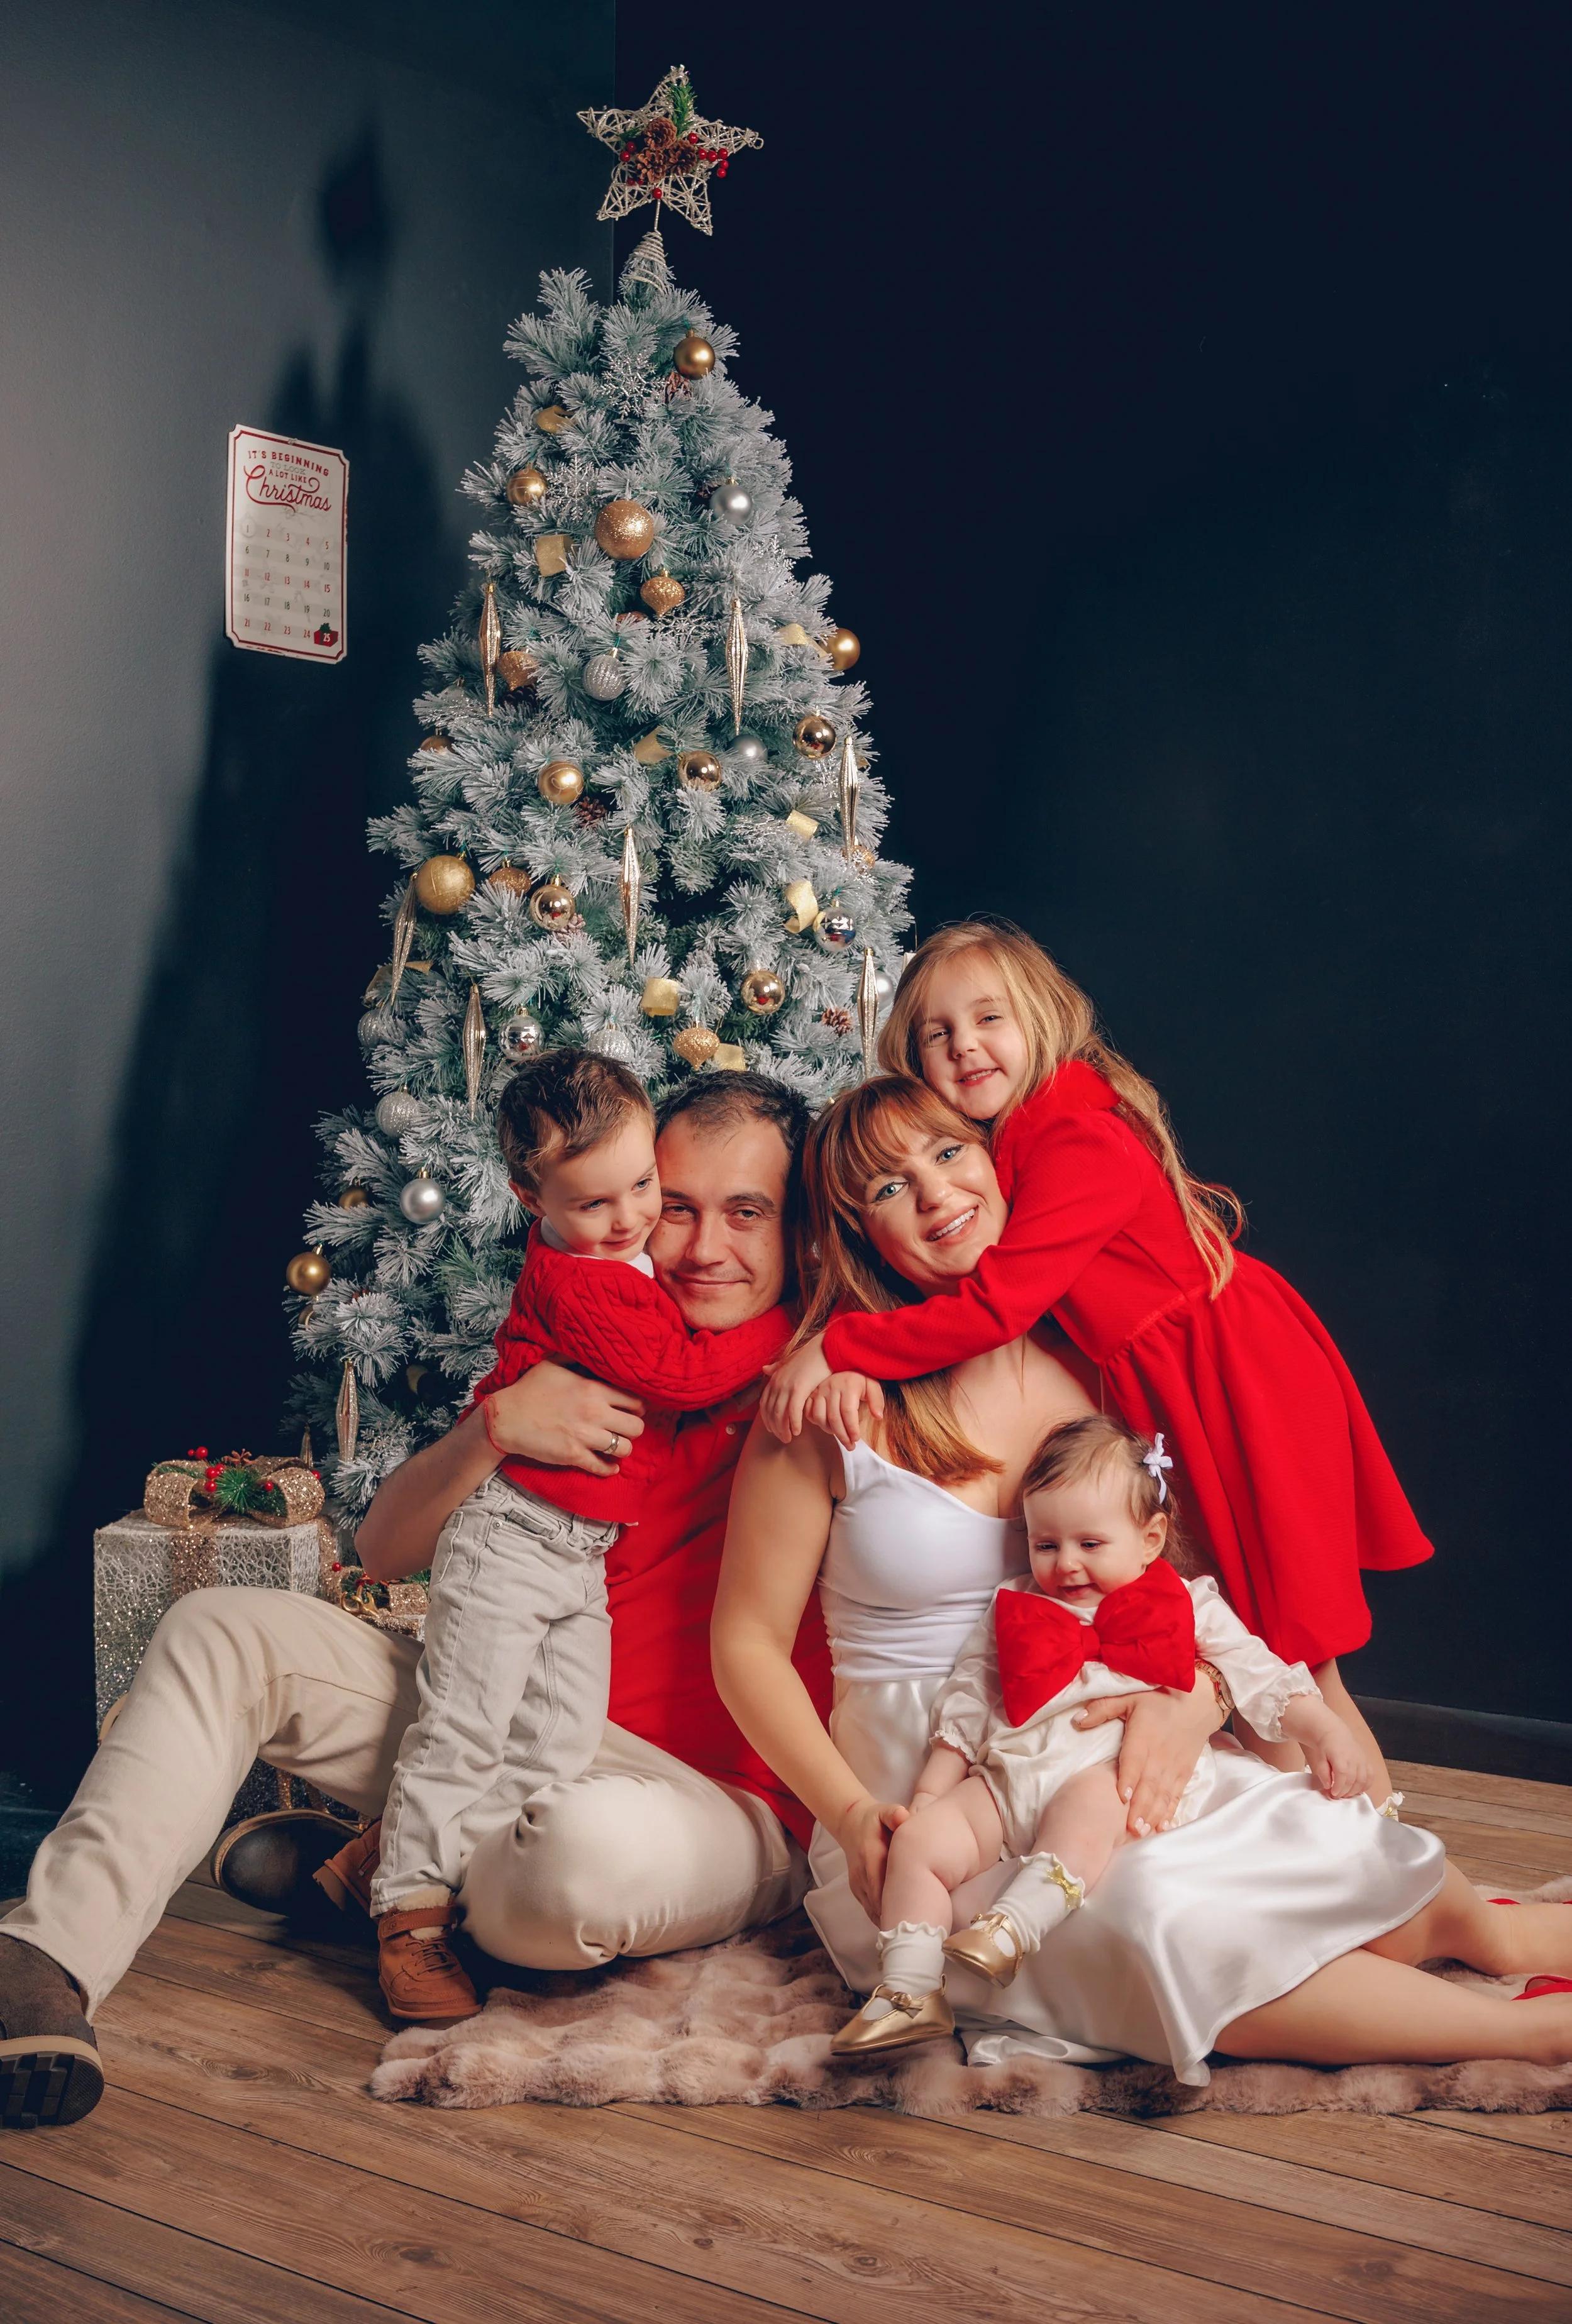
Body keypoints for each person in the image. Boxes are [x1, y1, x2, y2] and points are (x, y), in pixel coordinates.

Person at [0, 1072, 829, 2130]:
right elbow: (386, 1549)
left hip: (716, 1797)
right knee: (220, 1628)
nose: (705, 1245)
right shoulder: (600, 1328)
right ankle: (45, 1957)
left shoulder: (823, 1377)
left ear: (800, 1232)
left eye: (748, 1212)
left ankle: (389, 1862)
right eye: (677, 1205)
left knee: (573, 1861)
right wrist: (497, 1429)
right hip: (512, 1720)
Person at [714, 1075, 1572, 2083]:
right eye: (888, 1190)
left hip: (1105, 1727)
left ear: (998, 1166)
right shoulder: (830, 1402)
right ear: (860, 1235)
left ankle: (1504, 1945)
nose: (935, 1191)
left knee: (1304, 1839)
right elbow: (745, 1647)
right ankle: (1531, 2036)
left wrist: (1195, 1703)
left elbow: (1182, 1586)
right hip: (932, 1788)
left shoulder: (1093, 1368)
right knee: (1155, 1915)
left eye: (949, 1153)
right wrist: (855, 1816)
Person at [762, 918, 1433, 1790]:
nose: (966, 1045)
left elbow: (999, 1305)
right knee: (1270, 1655)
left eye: (988, 1018)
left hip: (1233, 1376)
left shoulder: (1079, 1139)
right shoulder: (1017, 1144)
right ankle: (1373, 1868)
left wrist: (844, 1344)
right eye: (938, 1034)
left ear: (1041, 1016)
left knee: (1300, 1660)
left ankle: (1393, 1868)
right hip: (1179, 1381)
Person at [369, 1051, 793, 2022]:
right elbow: (681, 1377)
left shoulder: (634, 1265)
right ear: (533, 1198)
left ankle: (392, 1867)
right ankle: (409, 1914)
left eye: (645, 1188)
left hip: (582, 1570)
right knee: (465, 1729)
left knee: (548, 1747)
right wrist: (802, 1330)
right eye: (616, 1202)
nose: (640, 1222)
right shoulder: (587, 1287)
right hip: (517, 1536)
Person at [833, 1412, 1378, 2056]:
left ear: (1149, 1539)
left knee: (1088, 1804)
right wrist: (928, 1794)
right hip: (1012, 1773)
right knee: (920, 1842)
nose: (1065, 1564)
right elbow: (967, 1702)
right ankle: (909, 1990)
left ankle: (1012, 1929)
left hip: (1117, 1771)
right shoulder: (1014, 1606)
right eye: (1045, 1545)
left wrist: (1320, 1730)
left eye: (1090, 1545)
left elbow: (1254, 1672)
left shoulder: (1185, 1599)